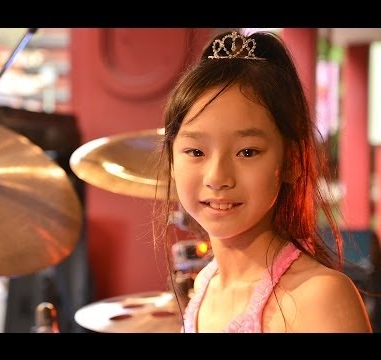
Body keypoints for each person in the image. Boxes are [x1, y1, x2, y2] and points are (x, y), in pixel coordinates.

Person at [153, 30, 372, 333]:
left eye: (247, 151)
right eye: (196, 151)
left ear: (292, 162)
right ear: (173, 161)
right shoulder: (205, 285)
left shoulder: (319, 296)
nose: (217, 177)